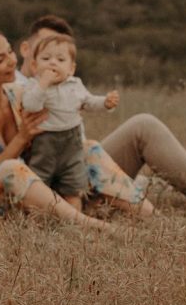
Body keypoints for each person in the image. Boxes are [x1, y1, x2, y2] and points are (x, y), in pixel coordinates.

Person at [17, 15, 186, 212]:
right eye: (44, 52)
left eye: (59, 54)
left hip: (80, 163)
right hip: (47, 177)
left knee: (160, 178)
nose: (52, 60)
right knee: (143, 127)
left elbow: (89, 106)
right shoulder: (18, 86)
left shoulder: (69, 86)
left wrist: (105, 103)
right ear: (27, 51)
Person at [0, 25, 153, 231]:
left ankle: (147, 212)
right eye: (0, 59)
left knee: (88, 148)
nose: (11, 61)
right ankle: (94, 228)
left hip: (31, 187)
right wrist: (21, 139)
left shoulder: (18, 94)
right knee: (11, 168)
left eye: (10, 52)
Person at [21, 33, 119, 212]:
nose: (53, 63)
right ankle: (35, 219)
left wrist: (105, 102)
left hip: (72, 143)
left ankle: (75, 221)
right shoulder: (33, 85)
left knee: (73, 185)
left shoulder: (75, 84)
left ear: (71, 69)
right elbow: (31, 105)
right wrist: (43, 84)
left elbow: (88, 102)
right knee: (39, 181)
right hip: (45, 142)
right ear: (34, 66)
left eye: (60, 59)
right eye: (46, 58)